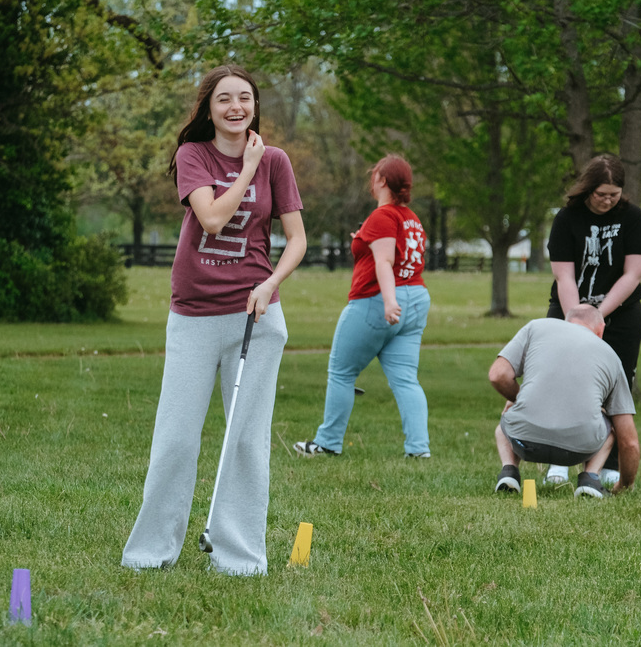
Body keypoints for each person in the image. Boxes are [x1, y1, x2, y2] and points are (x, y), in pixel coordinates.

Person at [122, 65, 306, 576]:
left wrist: (271, 283)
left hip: (256, 316)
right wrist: (246, 169)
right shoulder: (193, 155)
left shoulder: (278, 161)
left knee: (246, 441)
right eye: (224, 99)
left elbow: (298, 240)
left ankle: (239, 558)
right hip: (195, 315)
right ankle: (149, 553)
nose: (235, 107)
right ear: (208, 108)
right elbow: (212, 219)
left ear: (254, 105)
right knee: (176, 437)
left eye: (244, 97)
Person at [293, 155, 431, 458]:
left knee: (341, 372)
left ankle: (328, 443)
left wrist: (389, 301)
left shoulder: (382, 216)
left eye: (375, 174)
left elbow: (384, 261)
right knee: (406, 379)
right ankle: (419, 450)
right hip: (416, 298)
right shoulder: (410, 217)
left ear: (382, 180)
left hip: (378, 301)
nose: (372, 178)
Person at [543, 154, 641, 487]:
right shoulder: (567, 218)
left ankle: (609, 463)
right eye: (601, 194)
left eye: (613, 195)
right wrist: (577, 320)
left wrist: (598, 316)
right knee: (561, 382)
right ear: (587, 189)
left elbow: (634, 273)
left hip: (620, 317)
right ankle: (557, 462)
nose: (606, 200)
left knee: (617, 387)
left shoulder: (632, 218)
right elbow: (564, 276)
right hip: (568, 312)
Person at [488, 305, 640, 498]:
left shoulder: (536, 328)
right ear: (600, 330)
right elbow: (629, 442)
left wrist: (518, 400)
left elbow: (497, 375)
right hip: (579, 448)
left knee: (507, 416)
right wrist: (625, 485)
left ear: (566, 322)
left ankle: (509, 471)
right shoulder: (611, 356)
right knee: (611, 427)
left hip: (524, 441)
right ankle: (590, 479)